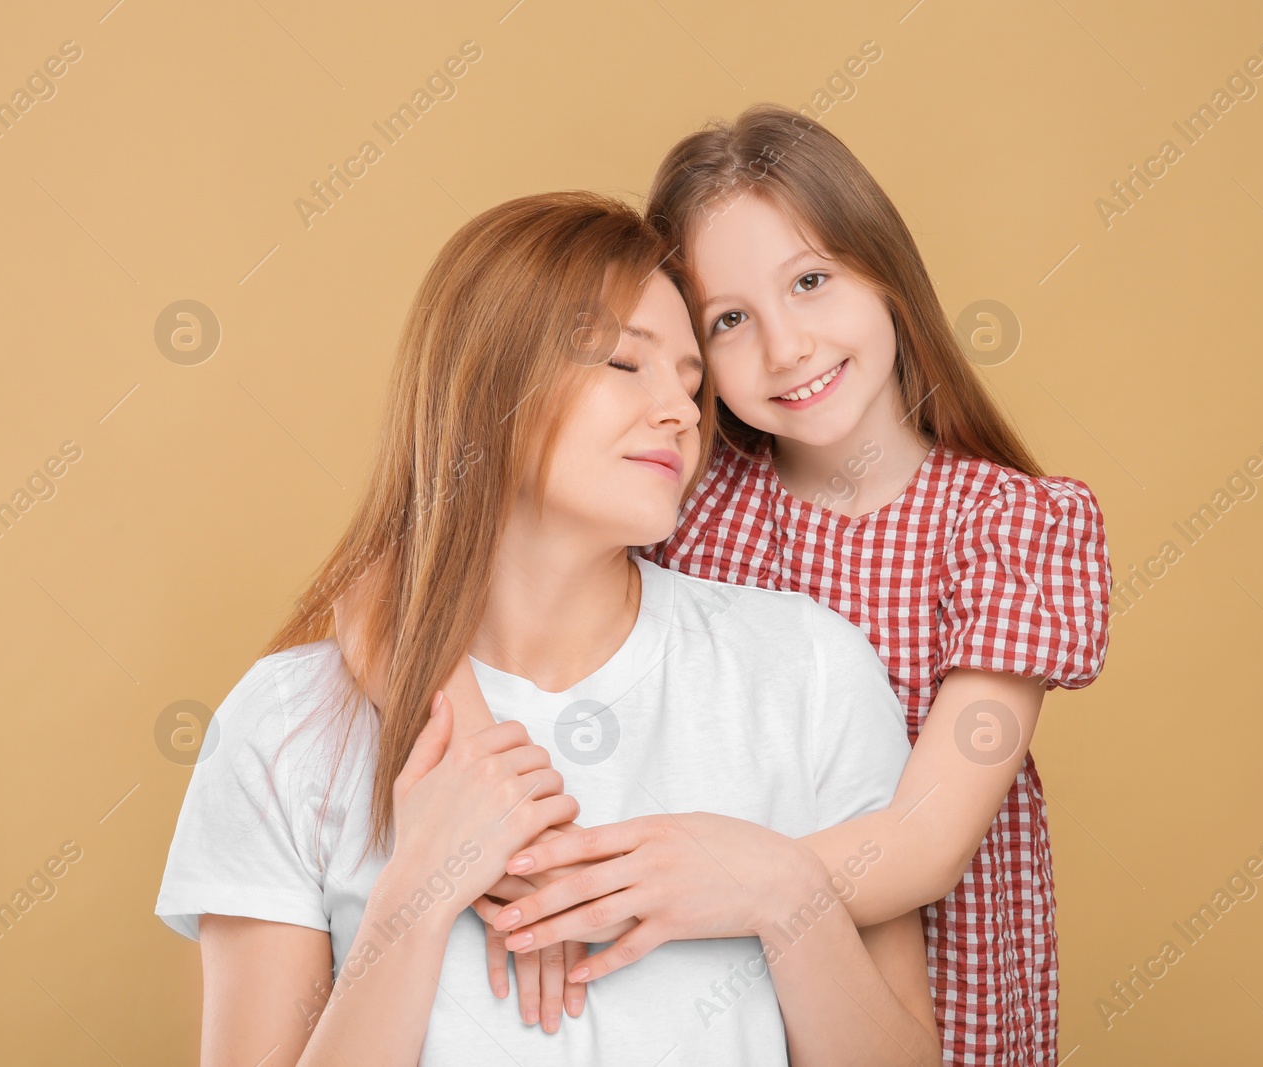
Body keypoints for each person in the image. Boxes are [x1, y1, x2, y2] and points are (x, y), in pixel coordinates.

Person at [338, 105, 1113, 1064]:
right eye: (731, 321)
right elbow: (381, 590)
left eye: (813, 281)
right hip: (709, 982)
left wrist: (646, 884)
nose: (786, 346)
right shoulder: (689, 488)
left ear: (890, 277)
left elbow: (924, 845)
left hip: (904, 976)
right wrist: (499, 816)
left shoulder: (1007, 525)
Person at [154, 190, 942, 1067]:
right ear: (487, 383)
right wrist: (416, 890)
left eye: (691, 381)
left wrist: (779, 885)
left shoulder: (807, 669)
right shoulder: (287, 720)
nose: (681, 412)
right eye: (621, 363)